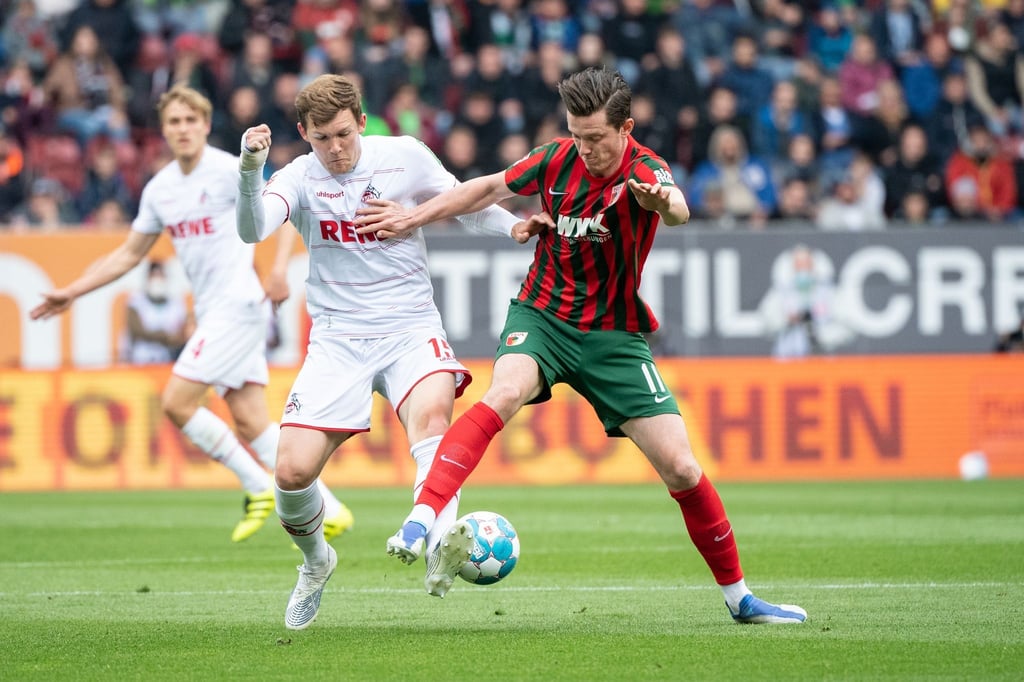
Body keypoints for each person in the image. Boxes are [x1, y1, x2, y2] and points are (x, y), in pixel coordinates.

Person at [356, 66, 807, 624]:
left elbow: (679, 208)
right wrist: (412, 218)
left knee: (683, 469)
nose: (586, 148)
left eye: (595, 138)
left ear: (625, 128)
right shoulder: (555, 158)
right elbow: (485, 189)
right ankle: (423, 518)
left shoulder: (645, 169)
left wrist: (662, 200)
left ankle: (740, 599)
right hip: (542, 315)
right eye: (577, 135)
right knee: (503, 393)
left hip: (613, 335)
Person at [234, 73, 532, 630]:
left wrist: (513, 228)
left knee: (434, 421)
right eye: (322, 139)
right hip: (338, 338)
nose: (336, 149)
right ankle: (317, 562)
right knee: (292, 472)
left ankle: (442, 545)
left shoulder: (405, 157)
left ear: (362, 122)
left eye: (344, 134)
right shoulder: (297, 177)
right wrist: (251, 168)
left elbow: (462, 203)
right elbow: (254, 229)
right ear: (304, 133)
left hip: (409, 326)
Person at [29, 84, 353, 545]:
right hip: (212, 311)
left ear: (204, 125)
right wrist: (72, 292)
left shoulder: (228, 170)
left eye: (189, 121)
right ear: (163, 131)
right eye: (173, 122)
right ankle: (332, 509)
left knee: (177, 402)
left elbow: (287, 204)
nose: (181, 129)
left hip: (239, 305)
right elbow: (128, 255)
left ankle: (258, 485)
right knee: (250, 421)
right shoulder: (160, 189)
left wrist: (279, 270)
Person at [120, 260, 191, 365]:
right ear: (148, 278)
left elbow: (182, 334)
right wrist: (164, 337)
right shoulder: (136, 301)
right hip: (139, 361)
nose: (157, 280)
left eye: (160, 276)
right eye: (154, 276)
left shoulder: (176, 304)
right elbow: (136, 331)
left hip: (167, 359)